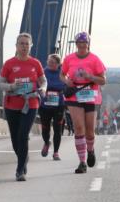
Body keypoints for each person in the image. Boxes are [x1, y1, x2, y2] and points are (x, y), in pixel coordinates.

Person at [0, 33, 46, 181]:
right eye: (21, 43)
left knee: (23, 136)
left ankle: (20, 171)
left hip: (30, 104)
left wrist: (43, 88)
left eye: (27, 44)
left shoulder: (35, 63)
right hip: (12, 104)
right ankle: (23, 158)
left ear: (31, 46)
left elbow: (43, 81)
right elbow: (0, 84)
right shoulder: (9, 64)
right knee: (15, 140)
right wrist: (11, 86)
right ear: (16, 46)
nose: (24, 46)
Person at [60, 32, 108, 173]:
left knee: (90, 131)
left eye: (84, 43)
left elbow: (103, 80)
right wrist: (66, 81)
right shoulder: (69, 59)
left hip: (90, 95)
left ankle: (91, 150)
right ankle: (82, 162)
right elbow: (61, 74)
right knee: (79, 128)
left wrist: (90, 76)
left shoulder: (95, 60)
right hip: (74, 95)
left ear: (88, 44)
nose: (81, 46)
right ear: (76, 44)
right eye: (79, 43)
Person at [39, 53, 66, 161]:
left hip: (59, 104)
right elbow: (38, 84)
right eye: (49, 62)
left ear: (58, 64)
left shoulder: (62, 73)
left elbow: (66, 84)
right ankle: (46, 142)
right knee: (45, 128)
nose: (50, 64)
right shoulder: (43, 72)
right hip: (45, 104)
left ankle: (56, 152)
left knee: (57, 129)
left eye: (53, 62)